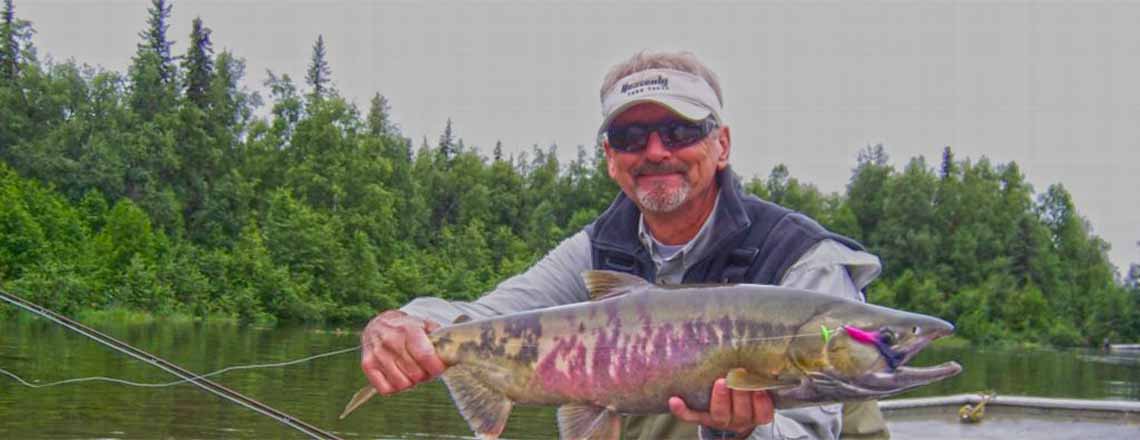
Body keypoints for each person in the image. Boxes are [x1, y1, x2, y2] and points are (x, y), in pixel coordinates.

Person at [359, 51, 890, 440]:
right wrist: (405, 322)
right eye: (632, 139)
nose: (656, 151)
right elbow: (482, 318)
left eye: (679, 130)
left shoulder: (804, 259)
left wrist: (744, 433)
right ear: (612, 159)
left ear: (721, 144)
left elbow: (815, 430)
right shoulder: (595, 250)